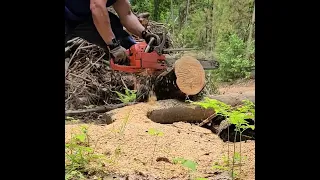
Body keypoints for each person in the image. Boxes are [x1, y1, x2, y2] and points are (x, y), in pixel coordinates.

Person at [65, 0, 160, 64]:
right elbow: (97, 7)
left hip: (83, 16)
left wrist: (144, 34)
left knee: (118, 33)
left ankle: (140, 64)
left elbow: (127, 15)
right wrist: (113, 45)